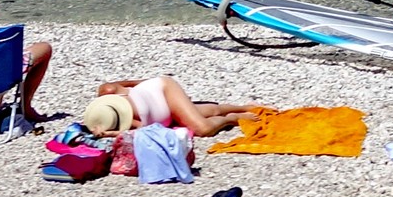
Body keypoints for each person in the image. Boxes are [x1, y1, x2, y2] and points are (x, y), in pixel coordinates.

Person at [80, 75, 266, 139]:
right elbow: (144, 132)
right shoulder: (111, 120)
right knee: (206, 112)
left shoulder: (108, 90)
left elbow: (129, 83)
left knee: (203, 129)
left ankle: (238, 113)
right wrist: (109, 132)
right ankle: (237, 112)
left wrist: (153, 80)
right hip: (165, 113)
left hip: (163, 90)